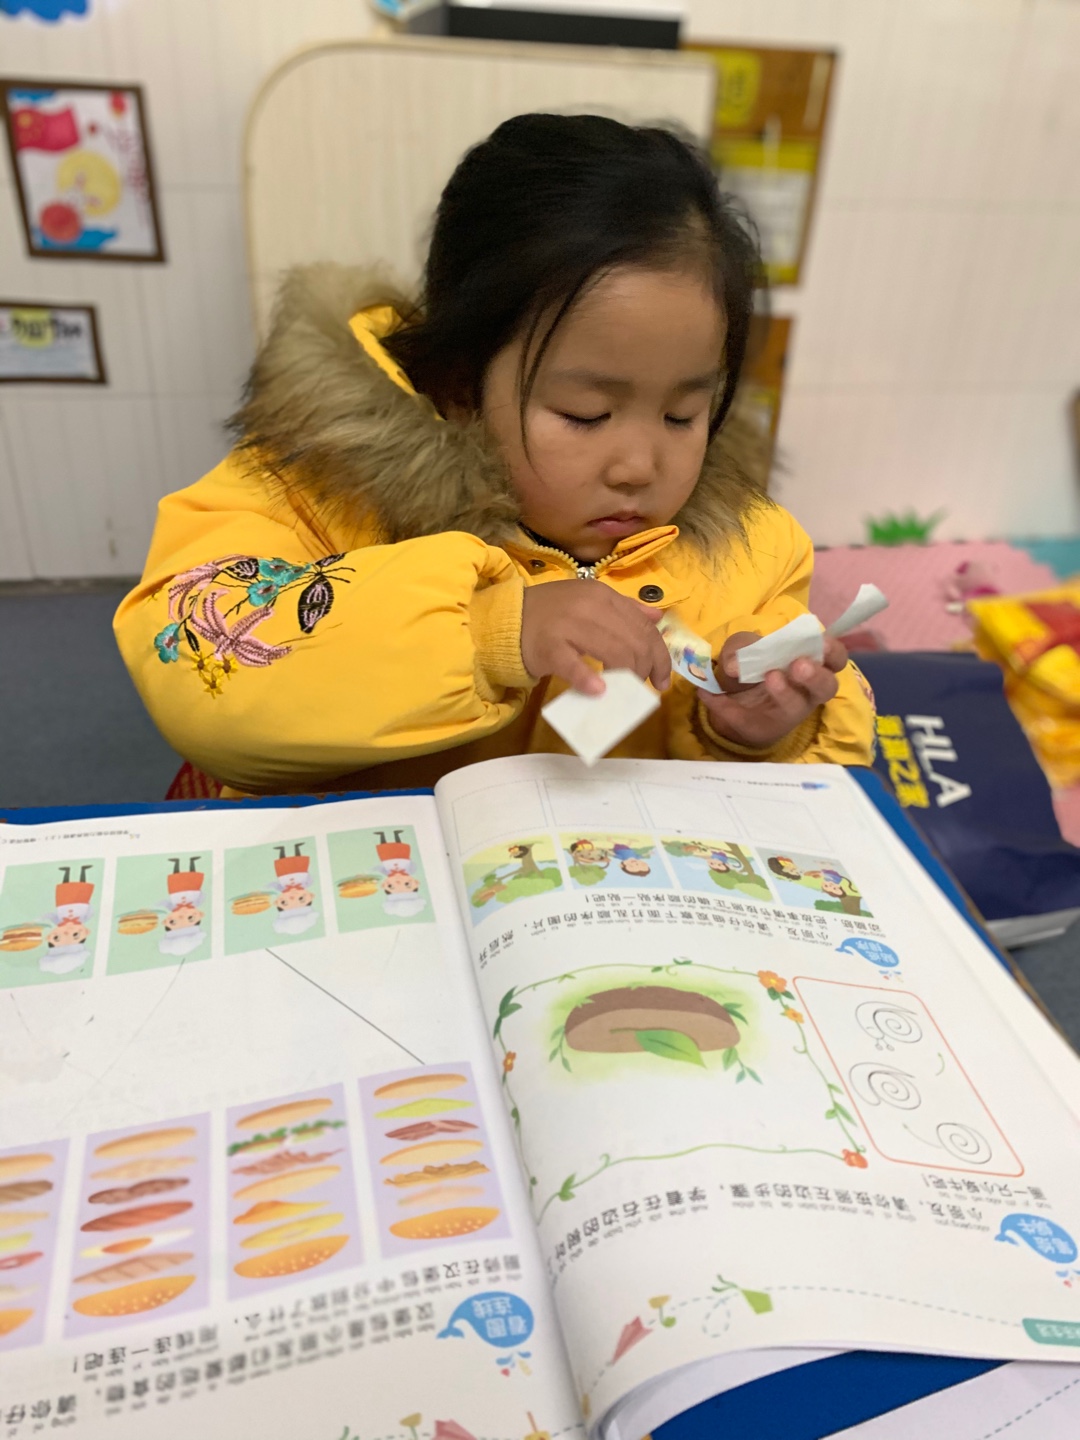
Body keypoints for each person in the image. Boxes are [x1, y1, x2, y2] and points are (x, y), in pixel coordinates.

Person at [115, 114, 873, 797]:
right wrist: (483, 632)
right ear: (459, 383)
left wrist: (753, 733)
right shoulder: (315, 487)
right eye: (585, 414)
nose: (639, 466)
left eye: (683, 415)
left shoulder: (750, 552)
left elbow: (804, 781)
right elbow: (195, 662)